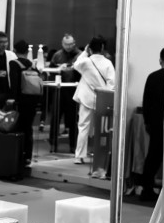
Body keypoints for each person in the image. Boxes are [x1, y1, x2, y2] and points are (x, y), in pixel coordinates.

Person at [72, 36, 115, 165]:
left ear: (90, 48)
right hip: (102, 98)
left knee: (83, 127)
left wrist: (85, 52)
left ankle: (79, 156)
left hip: (86, 98)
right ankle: (100, 155)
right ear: (102, 48)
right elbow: (112, 83)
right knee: (101, 128)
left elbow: (75, 65)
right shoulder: (108, 63)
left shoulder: (85, 62)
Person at [10, 39, 41, 167]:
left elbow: (14, 84)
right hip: (32, 100)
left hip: (20, 101)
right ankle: (28, 156)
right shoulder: (31, 64)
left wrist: (13, 100)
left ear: (15, 50)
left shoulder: (14, 63)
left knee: (18, 127)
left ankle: (17, 154)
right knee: (28, 128)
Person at [140, 48, 164, 202]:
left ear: (160, 60)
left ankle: (146, 188)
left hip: (155, 123)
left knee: (152, 156)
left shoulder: (153, 77)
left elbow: (146, 101)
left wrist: (147, 121)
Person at [49, 33, 81, 153]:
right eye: (66, 44)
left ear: (74, 43)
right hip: (59, 90)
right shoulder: (57, 55)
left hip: (73, 91)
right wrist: (58, 69)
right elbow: (51, 71)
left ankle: (73, 146)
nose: (69, 46)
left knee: (73, 120)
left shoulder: (80, 55)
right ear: (62, 44)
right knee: (55, 118)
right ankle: (53, 144)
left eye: (71, 44)